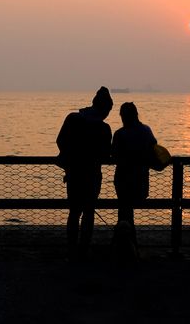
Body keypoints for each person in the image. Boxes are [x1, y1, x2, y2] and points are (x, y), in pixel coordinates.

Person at [56, 86, 113, 259]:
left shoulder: (73, 118)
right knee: (89, 211)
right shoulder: (104, 129)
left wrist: (71, 159)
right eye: (108, 111)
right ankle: (83, 249)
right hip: (93, 175)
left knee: (74, 212)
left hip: (74, 173)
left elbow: (60, 141)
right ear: (104, 109)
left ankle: (72, 249)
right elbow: (105, 154)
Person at [111, 102, 157, 248]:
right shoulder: (147, 131)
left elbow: (114, 155)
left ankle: (124, 243)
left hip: (123, 182)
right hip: (141, 182)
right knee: (127, 213)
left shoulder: (120, 134)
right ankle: (130, 243)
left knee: (124, 212)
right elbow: (154, 150)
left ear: (123, 116)